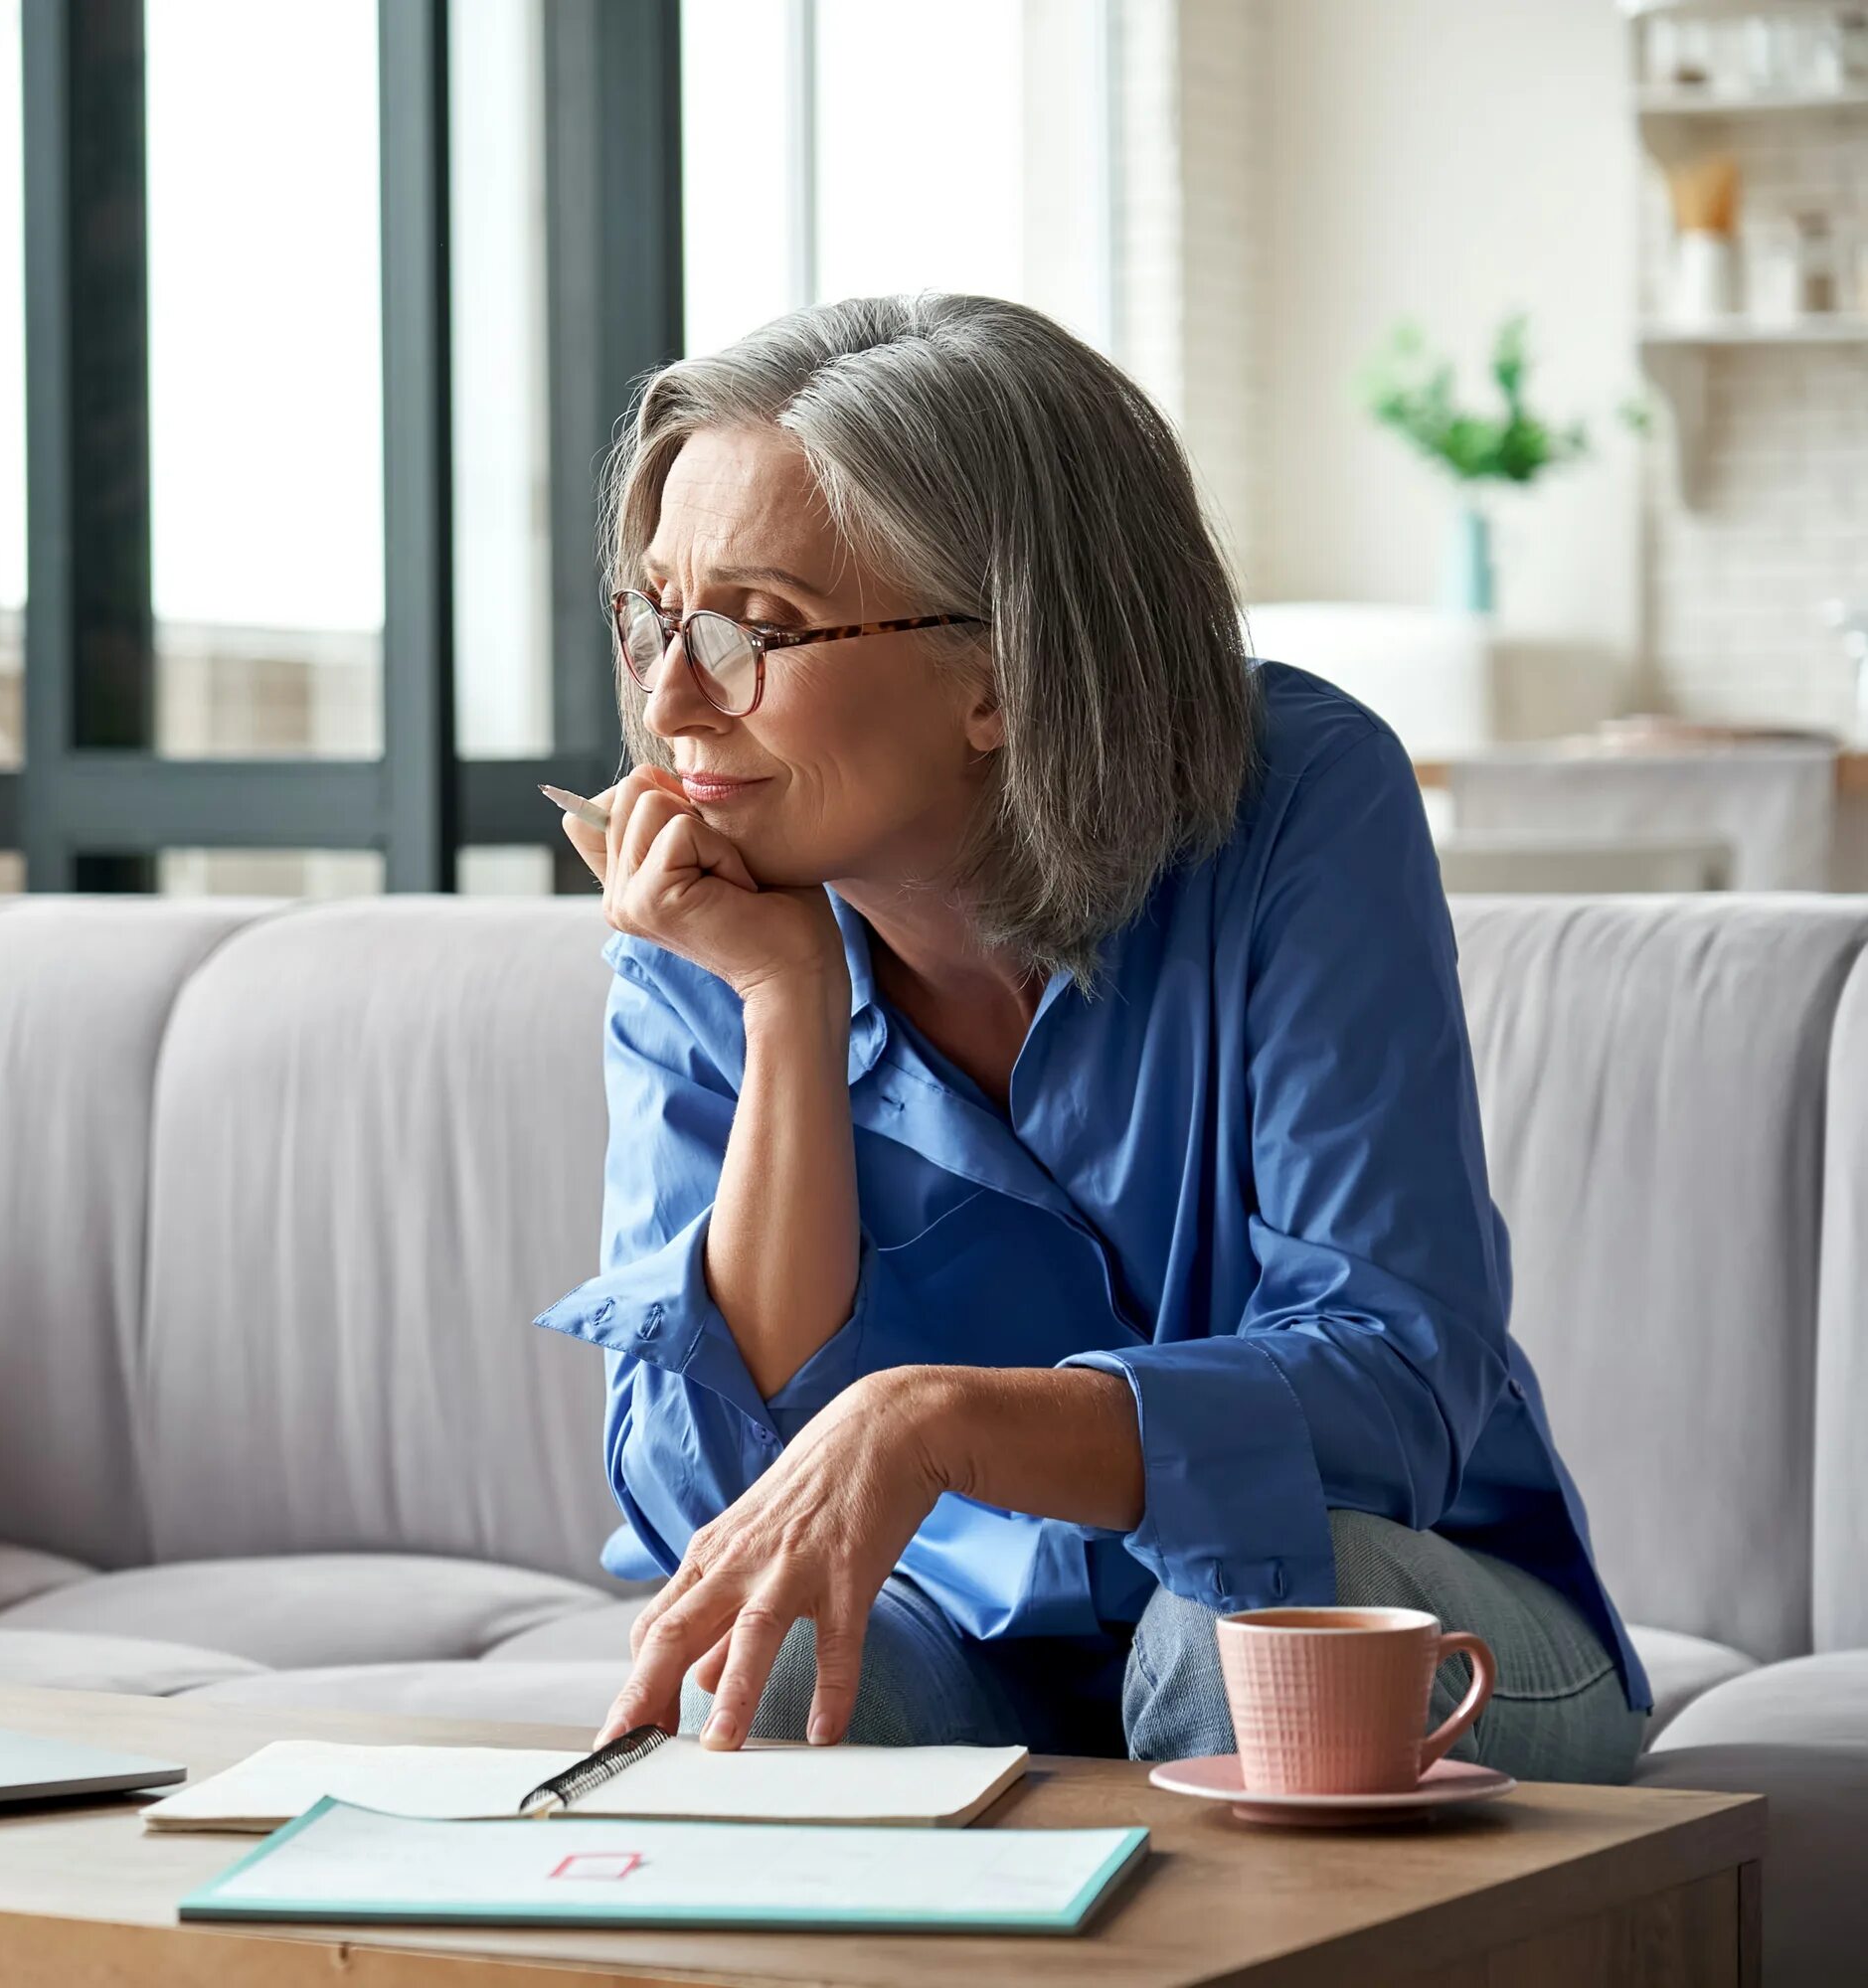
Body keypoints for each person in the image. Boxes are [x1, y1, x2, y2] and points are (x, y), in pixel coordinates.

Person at [535, 293, 1647, 1780]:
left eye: (756, 629)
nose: (672, 700)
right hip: (971, 1644)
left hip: (1400, 1608)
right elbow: (714, 1505)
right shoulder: (710, 907)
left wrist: (939, 1424)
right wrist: (786, 1009)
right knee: (777, 1660)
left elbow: (1394, 1383)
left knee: (1236, 1633)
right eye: (654, 617)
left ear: (1000, 671)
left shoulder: (1300, 803)